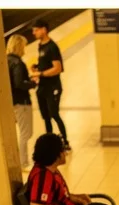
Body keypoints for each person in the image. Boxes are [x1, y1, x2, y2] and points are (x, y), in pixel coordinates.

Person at [31, 20, 69, 150]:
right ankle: (50, 142)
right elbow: (45, 64)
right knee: (46, 116)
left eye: (36, 30)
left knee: (54, 114)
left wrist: (40, 74)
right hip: (42, 87)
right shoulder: (40, 45)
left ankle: (65, 141)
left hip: (53, 87)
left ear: (44, 30)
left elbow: (57, 68)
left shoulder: (52, 47)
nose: (33, 33)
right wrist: (37, 67)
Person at [7, 34, 37, 169]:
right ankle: (23, 162)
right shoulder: (18, 63)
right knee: (26, 133)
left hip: (11, 101)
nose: (25, 49)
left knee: (17, 133)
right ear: (19, 46)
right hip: (22, 102)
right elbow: (19, 83)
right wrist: (32, 83)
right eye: (24, 46)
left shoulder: (6, 61)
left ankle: (16, 160)